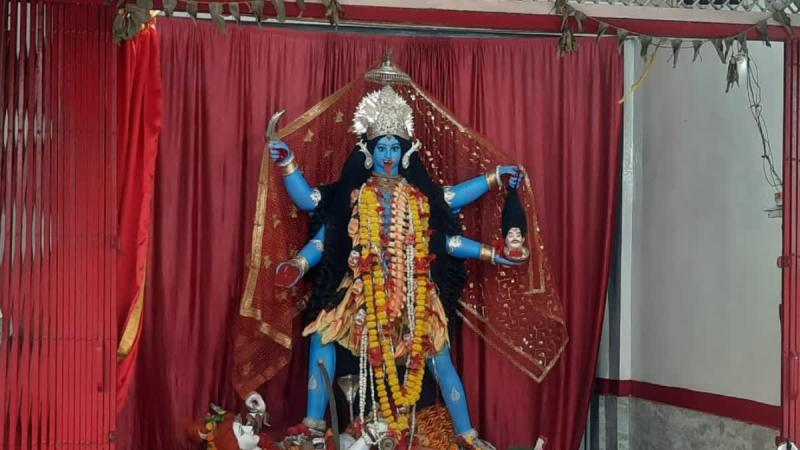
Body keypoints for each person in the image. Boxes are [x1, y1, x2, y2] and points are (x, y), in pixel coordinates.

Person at [268, 84, 526, 449]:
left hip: (413, 292)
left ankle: (467, 437)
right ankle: (312, 427)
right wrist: (287, 163)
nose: (388, 156)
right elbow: (313, 210)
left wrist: (496, 193)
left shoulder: (419, 197)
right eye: (382, 148)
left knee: (439, 358)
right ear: (368, 151)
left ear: (405, 153)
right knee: (323, 336)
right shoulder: (355, 194)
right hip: (363, 291)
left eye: (394, 148)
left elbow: (450, 226)